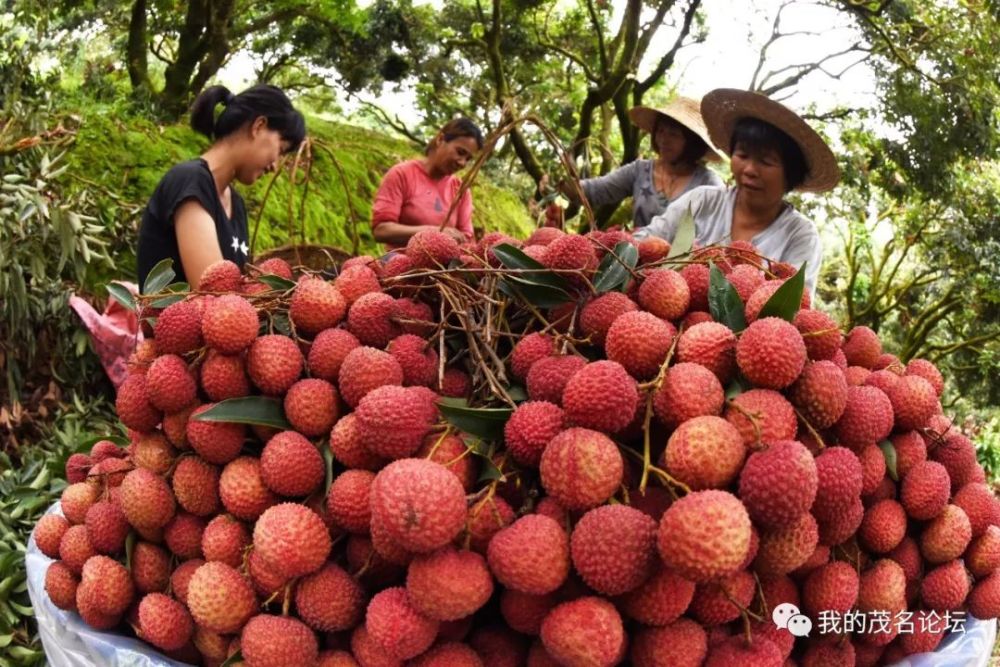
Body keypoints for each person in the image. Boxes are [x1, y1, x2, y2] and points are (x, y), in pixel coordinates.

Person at [634, 88, 840, 296]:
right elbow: (644, 242)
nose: (749, 170)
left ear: (791, 174)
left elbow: (795, 306)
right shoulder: (701, 201)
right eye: (742, 155)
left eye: (766, 161)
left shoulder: (800, 236)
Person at [136, 85, 305, 291]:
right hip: (184, 321)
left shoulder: (237, 205)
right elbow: (214, 297)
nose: (274, 166)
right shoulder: (191, 181)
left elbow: (239, 291)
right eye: (281, 149)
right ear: (259, 126)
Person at [560, 97, 724, 228]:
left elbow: (719, 228)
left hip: (686, 268)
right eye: (660, 131)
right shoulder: (640, 171)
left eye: (673, 134)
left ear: (692, 144)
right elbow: (596, 190)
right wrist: (561, 186)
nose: (663, 139)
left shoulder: (708, 184)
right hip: (637, 264)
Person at [371, 118, 484, 250]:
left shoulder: (460, 190)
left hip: (441, 268)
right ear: (440, 139)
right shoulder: (402, 174)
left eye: (468, 159)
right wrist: (434, 232)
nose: (462, 163)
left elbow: (467, 240)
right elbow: (381, 230)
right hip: (399, 264)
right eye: (460, 152)